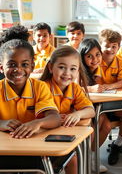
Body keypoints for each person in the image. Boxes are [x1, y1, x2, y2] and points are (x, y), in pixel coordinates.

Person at [0, 39, 60, 169]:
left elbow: (55, 118)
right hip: (4, 151)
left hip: (35, 150)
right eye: (12, 64)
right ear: (1, 67)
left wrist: (38, 123)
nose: (18, 69)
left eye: (25, 64)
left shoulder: (39, 87)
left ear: (32, 67)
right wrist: (1, 123)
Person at [40, 45, 95, 174]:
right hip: (42, 135)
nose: (67, 73)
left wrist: (78, 114)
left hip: (62, 134)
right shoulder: (42, 87)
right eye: (61, 67)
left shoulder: (75, 88)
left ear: (78, 72)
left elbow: (90, 110)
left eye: (72, 69)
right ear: (50, 67)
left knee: (73, 160)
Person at [98, 29, 122, 165]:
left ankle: (117, 144)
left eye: (114, 46)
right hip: (99, 102)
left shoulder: (120, 62)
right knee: (104, 125)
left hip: (114, 99)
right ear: (100, 45)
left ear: (118, 47)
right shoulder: (95, 60)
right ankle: (92, 154)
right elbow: (97, 82)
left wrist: (109, 86)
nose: (110, 49)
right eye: (106, 46)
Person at [79, 38, 111, 173]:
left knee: (107, 125)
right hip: (79, 108)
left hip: (96, 106)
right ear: (82, 57)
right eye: (89, 56)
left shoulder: (98, 69)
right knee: (94, 127)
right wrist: (91, 89)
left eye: (97, 54)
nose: (95, 59)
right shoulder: (79, 69)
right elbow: (75, 88)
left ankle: (92, 156)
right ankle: (86, 159)